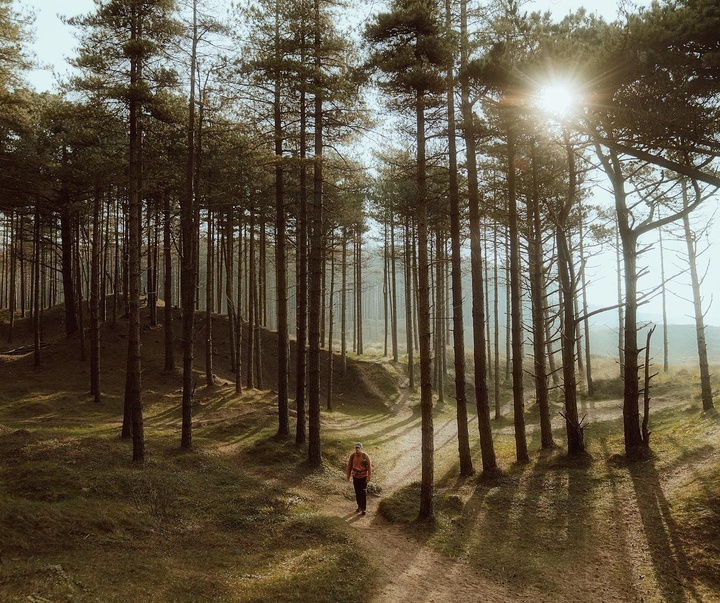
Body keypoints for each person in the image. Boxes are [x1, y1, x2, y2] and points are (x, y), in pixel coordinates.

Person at [346, 442, 372, 515]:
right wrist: (348, 475)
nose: (357, 449)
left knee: (363, 492)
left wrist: (369, 476)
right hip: (355, 476)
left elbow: (369, 466)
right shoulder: (352, 456)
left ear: (361, 448)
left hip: (363, 476)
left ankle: (363, 508)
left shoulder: (365, 456)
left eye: (358, 448)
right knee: (357, 492)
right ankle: (359, 506)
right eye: (356, 448)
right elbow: (349, 466)